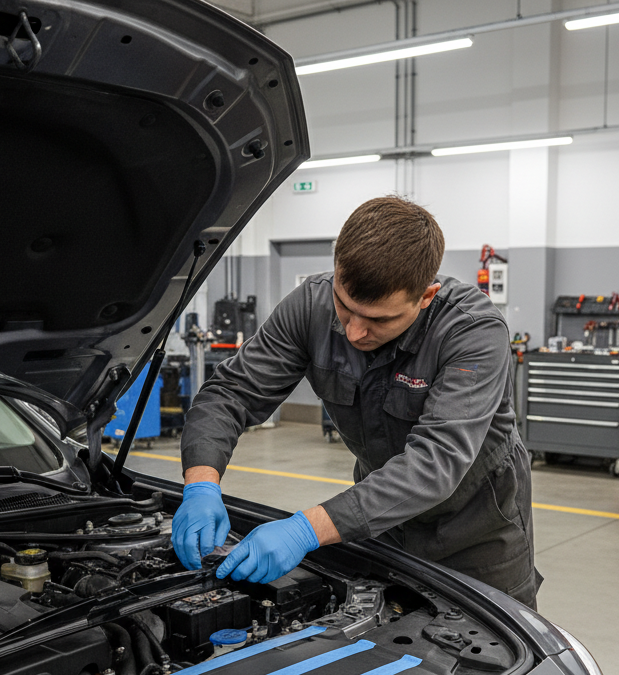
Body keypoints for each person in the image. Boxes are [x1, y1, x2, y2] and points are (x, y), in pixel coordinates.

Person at [171, 196, 541, 609]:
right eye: (345, 308)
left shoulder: (472, 332)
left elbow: (436, 461)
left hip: (478, 535)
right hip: (378, 521)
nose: (354, 333)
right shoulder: (309, 305)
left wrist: (304, 530)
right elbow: (230, 393)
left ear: (425, 296)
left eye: (379, 320)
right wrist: (201, 484)